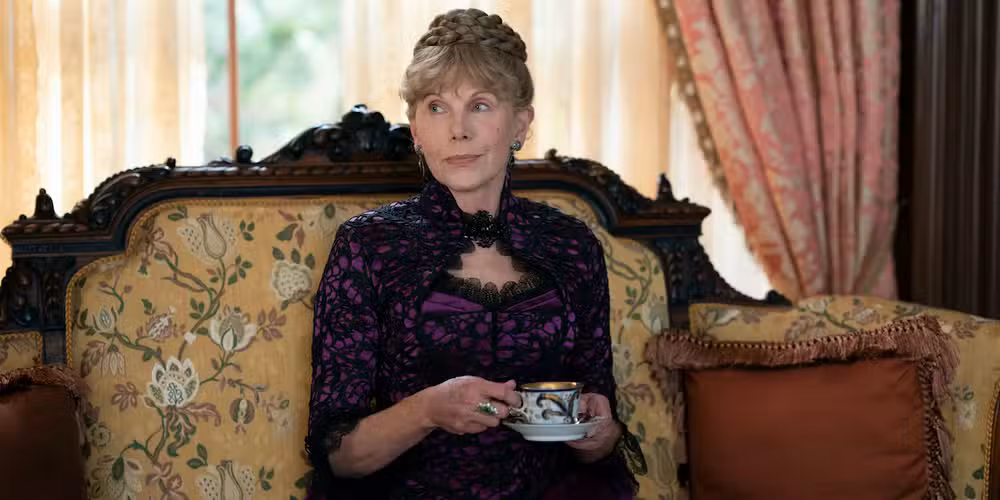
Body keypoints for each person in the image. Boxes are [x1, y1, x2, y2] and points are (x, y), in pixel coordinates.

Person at [306, 8, 644, 499]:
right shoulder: (367, 246)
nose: (457, 130)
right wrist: (426, 410)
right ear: (416, 129)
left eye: (480, 105)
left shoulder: (572, 246)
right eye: (436, 107)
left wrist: (600, 433)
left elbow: (597, 427)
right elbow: (340, 457)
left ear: (521, 123)